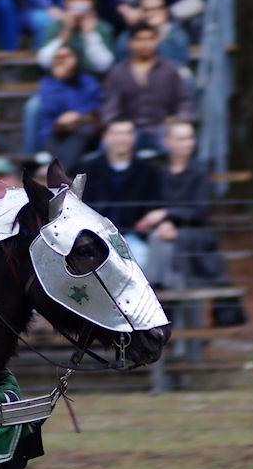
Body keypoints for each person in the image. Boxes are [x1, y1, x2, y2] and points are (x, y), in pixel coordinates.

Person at [146, 118, 234, 326]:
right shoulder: (158, 171)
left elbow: (200, 210)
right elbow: (150, 205)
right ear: (167, 142)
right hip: (166, 234)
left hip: (197, 236)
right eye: (181, 138)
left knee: (161, 243)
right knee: (159, 240)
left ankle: (155, 298)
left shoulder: (200, 170)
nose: (188, 143)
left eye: (190, 138)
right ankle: (163, 302)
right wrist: (164, 223)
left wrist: (168, 216)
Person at [78, 118, 164, 270]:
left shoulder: (147, 170)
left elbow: (157, 203)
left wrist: (156, 217)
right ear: (105, 137)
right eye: (117, 133)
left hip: (133, 237)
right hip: (94, 236)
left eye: (128, 133)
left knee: (139, 260)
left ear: (134, 137)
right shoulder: (88, 168)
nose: (122, 138)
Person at [101, 23, 193, 150]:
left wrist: (179, 119)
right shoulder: (118, 72)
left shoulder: (170, 69)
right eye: (140, 39)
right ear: (130, 42)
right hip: (129, 128)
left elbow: (183, 100)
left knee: (180, 140)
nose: (145, 44)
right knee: (108, 145)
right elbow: (110, 106)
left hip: (161, 127)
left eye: (150, 39)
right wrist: (115, 125)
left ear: (157, 41)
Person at [35, 44, 101, 173]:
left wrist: (76, 115)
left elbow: (94, 106)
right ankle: (65, 174)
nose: (62, 60)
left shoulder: (88, 81)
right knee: (68, 153)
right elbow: (50, 106)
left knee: (83, 132)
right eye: (58, 57)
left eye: (66, 56)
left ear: (76, 59)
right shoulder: (48, 82)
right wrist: (60, 80)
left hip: (82, 129)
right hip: (54, 131)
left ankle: (59, 172)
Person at [36, 0, 115, 74]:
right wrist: (65, 33)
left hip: (93, 82)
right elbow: (44, 62)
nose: (79, 2)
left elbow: (104, 66)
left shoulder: (103, 27)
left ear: (92, 2)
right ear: (66, 2)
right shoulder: (55, 26)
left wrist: (89, 34)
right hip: (61, 81)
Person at [114, 0, 191, 67]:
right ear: (140, 12)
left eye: (158, 8)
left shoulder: (176, 33)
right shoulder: (129, 34)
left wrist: (160, 31)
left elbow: (179, 61)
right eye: (148, 9)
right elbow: (122, 58)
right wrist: (138, 30)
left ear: (165, 10)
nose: (153, 12)